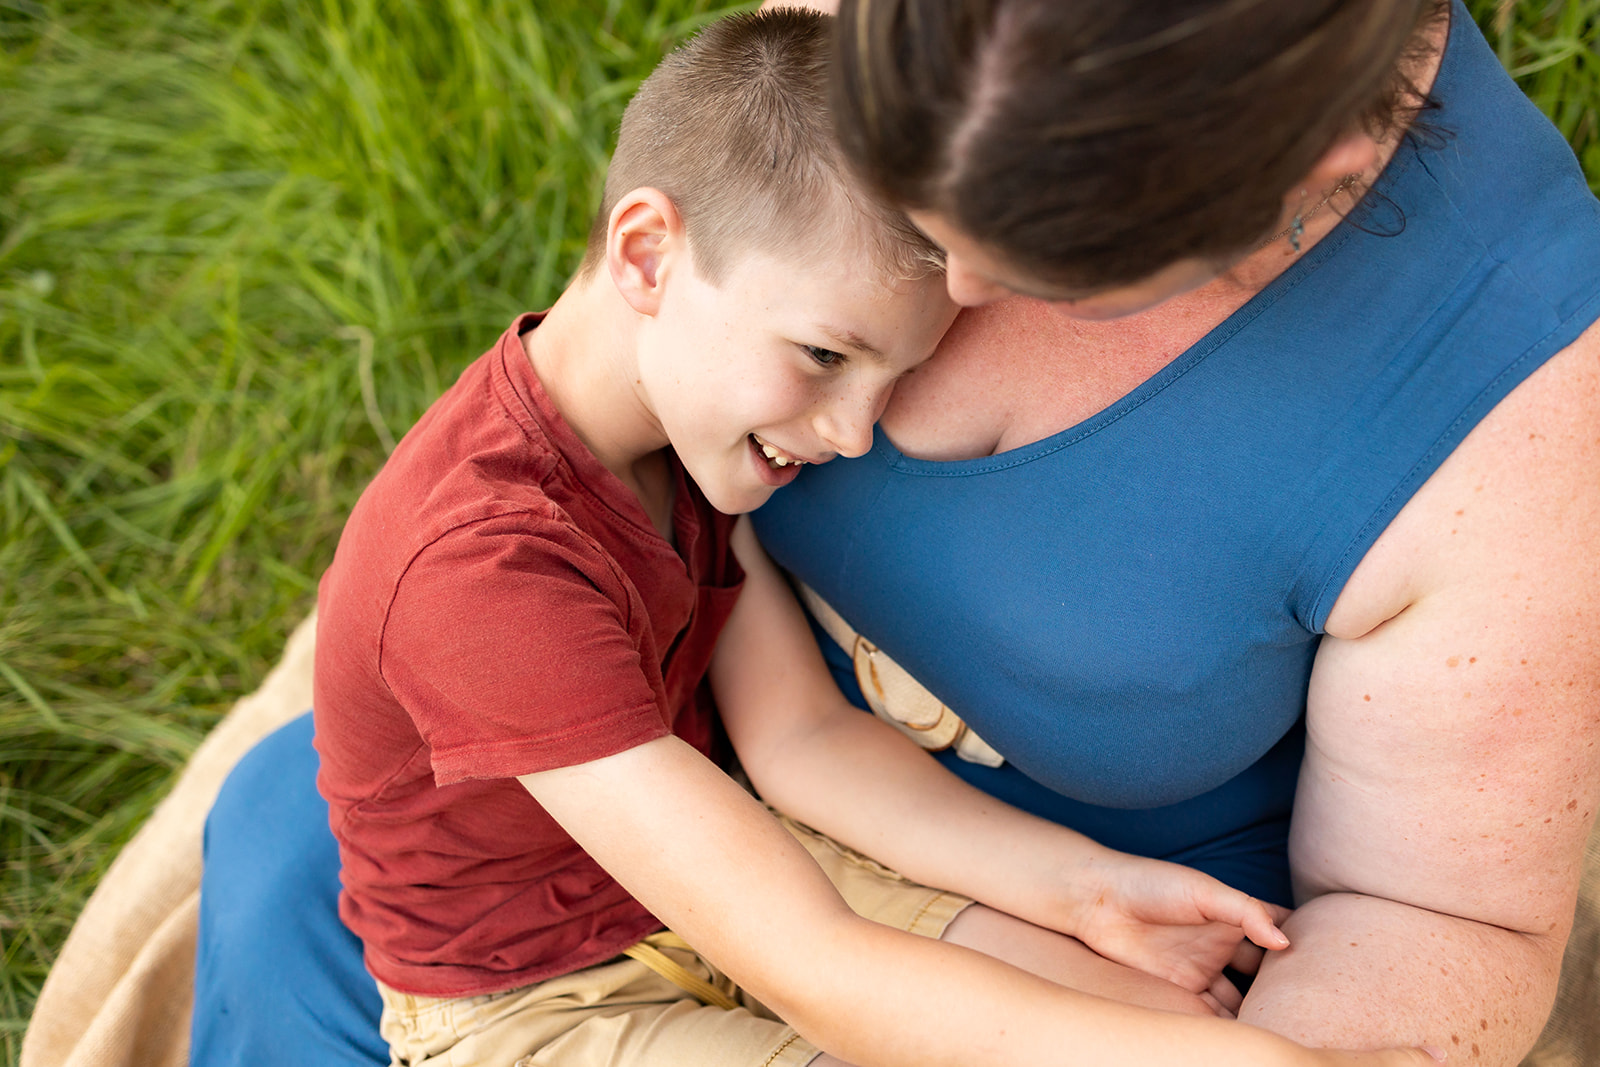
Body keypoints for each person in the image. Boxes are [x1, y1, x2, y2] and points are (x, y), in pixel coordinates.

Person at [194, 10, 1442, 1067]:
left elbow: (796, 736)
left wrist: (1074, 887)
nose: (849, 432)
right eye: (824, 356)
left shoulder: (683, 438)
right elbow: (812, 963)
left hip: (750, 856)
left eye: (887, 377)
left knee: (1140, 997)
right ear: (646, 251)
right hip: (548, 993)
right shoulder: (477, 568)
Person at [746, 0, 1600, 1064]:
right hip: (666, 774)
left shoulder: (1509, 372)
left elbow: (1435, 914)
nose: (953, 288)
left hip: (1113, 986)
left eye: (1059, 256)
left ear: (1299, 170)